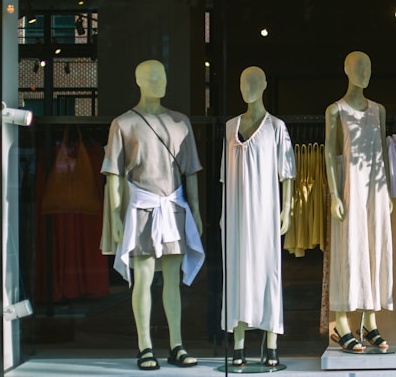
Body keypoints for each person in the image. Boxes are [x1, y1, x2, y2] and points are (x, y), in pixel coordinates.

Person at [101, 60, 205, 371]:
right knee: (143, 279)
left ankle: (177, 344)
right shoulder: (123, 124)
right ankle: (144, 346)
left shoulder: (179, 122)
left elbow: (191, 172)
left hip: (173, 209)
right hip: (142, 209)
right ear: (139, 81)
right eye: (153, 77)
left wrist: (196, 211)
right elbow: (113, 176)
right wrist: (116, 217)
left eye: (163, 76)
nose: (161, 81)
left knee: (172, 280)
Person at [221, 66, 295, 368]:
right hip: (236, 214)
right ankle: (238, 343)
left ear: (264, 85)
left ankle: (271, 343)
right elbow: (225, 177)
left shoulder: (276, 127)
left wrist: (286, 208)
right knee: (238, 273)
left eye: (253, 82)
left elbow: (287, 171)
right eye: (243, 82)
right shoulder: (229, 127)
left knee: (267, 272)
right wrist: (224, 215)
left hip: (265, 212)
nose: (247, 87)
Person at [325, 52, 394, 352]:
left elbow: (382, 151)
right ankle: (341, 322)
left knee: (375, 248)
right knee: (349, 250)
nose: (364, 71)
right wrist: (334, 194)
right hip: (350, 187)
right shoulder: (335, 110)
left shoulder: (379, 110)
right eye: (358, 66)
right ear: (345, 69)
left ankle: (370, 320)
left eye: (368, 66)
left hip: (376, 190)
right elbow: (330, 152)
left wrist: (388, 190)